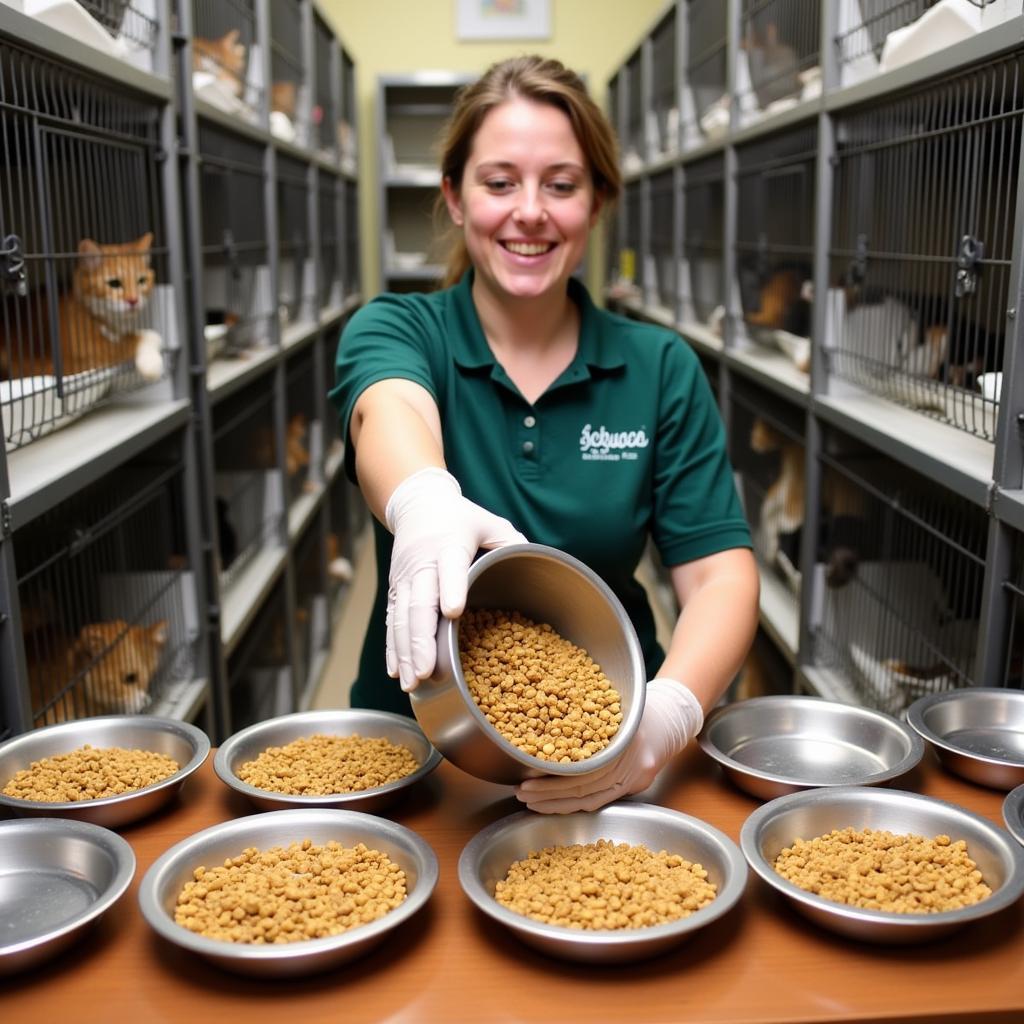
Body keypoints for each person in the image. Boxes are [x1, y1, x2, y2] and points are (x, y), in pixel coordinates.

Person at [329, 55, 759, 814]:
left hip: (610, 743)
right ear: (455, 199)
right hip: (415, 752)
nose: (530, 211)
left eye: (561, 184)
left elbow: (720, 576)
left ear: (596, 203)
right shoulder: (400, 328)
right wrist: (425, 499)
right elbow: (387, 412)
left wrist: (669, 713)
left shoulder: (658, 365)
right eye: (499, 182)